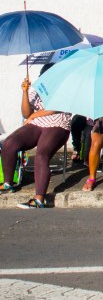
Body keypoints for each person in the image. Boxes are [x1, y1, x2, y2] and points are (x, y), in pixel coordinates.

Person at [0, 63, 72, 208]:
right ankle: (8, 183)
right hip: (37, 123)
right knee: (9, 143)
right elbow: (26, 113)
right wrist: (25, 91)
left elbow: (54, 108)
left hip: (58, 124)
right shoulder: (37, 91)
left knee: (41, 154)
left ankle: (39, 198)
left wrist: (34, 115)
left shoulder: (64, 89)